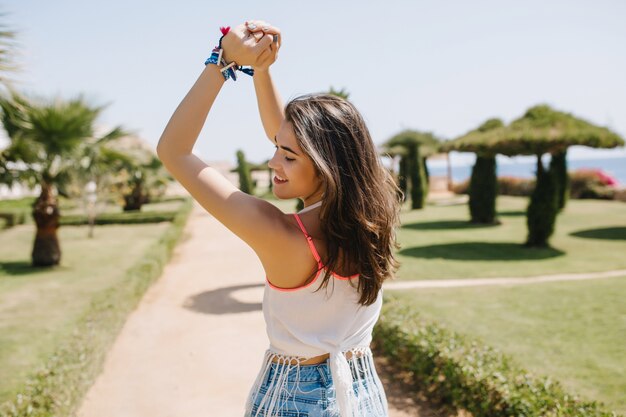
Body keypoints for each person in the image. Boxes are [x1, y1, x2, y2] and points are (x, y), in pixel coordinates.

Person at [157, 20, 402, 417]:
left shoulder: (282, 235)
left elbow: (174, 150)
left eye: (287, 156)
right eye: (277, 148)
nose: (273, 161)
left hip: (295, 398)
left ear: (326, 168)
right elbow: (291, 137)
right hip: (361, 392)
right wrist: (262, 70)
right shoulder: (375, 214)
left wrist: (222, 61)